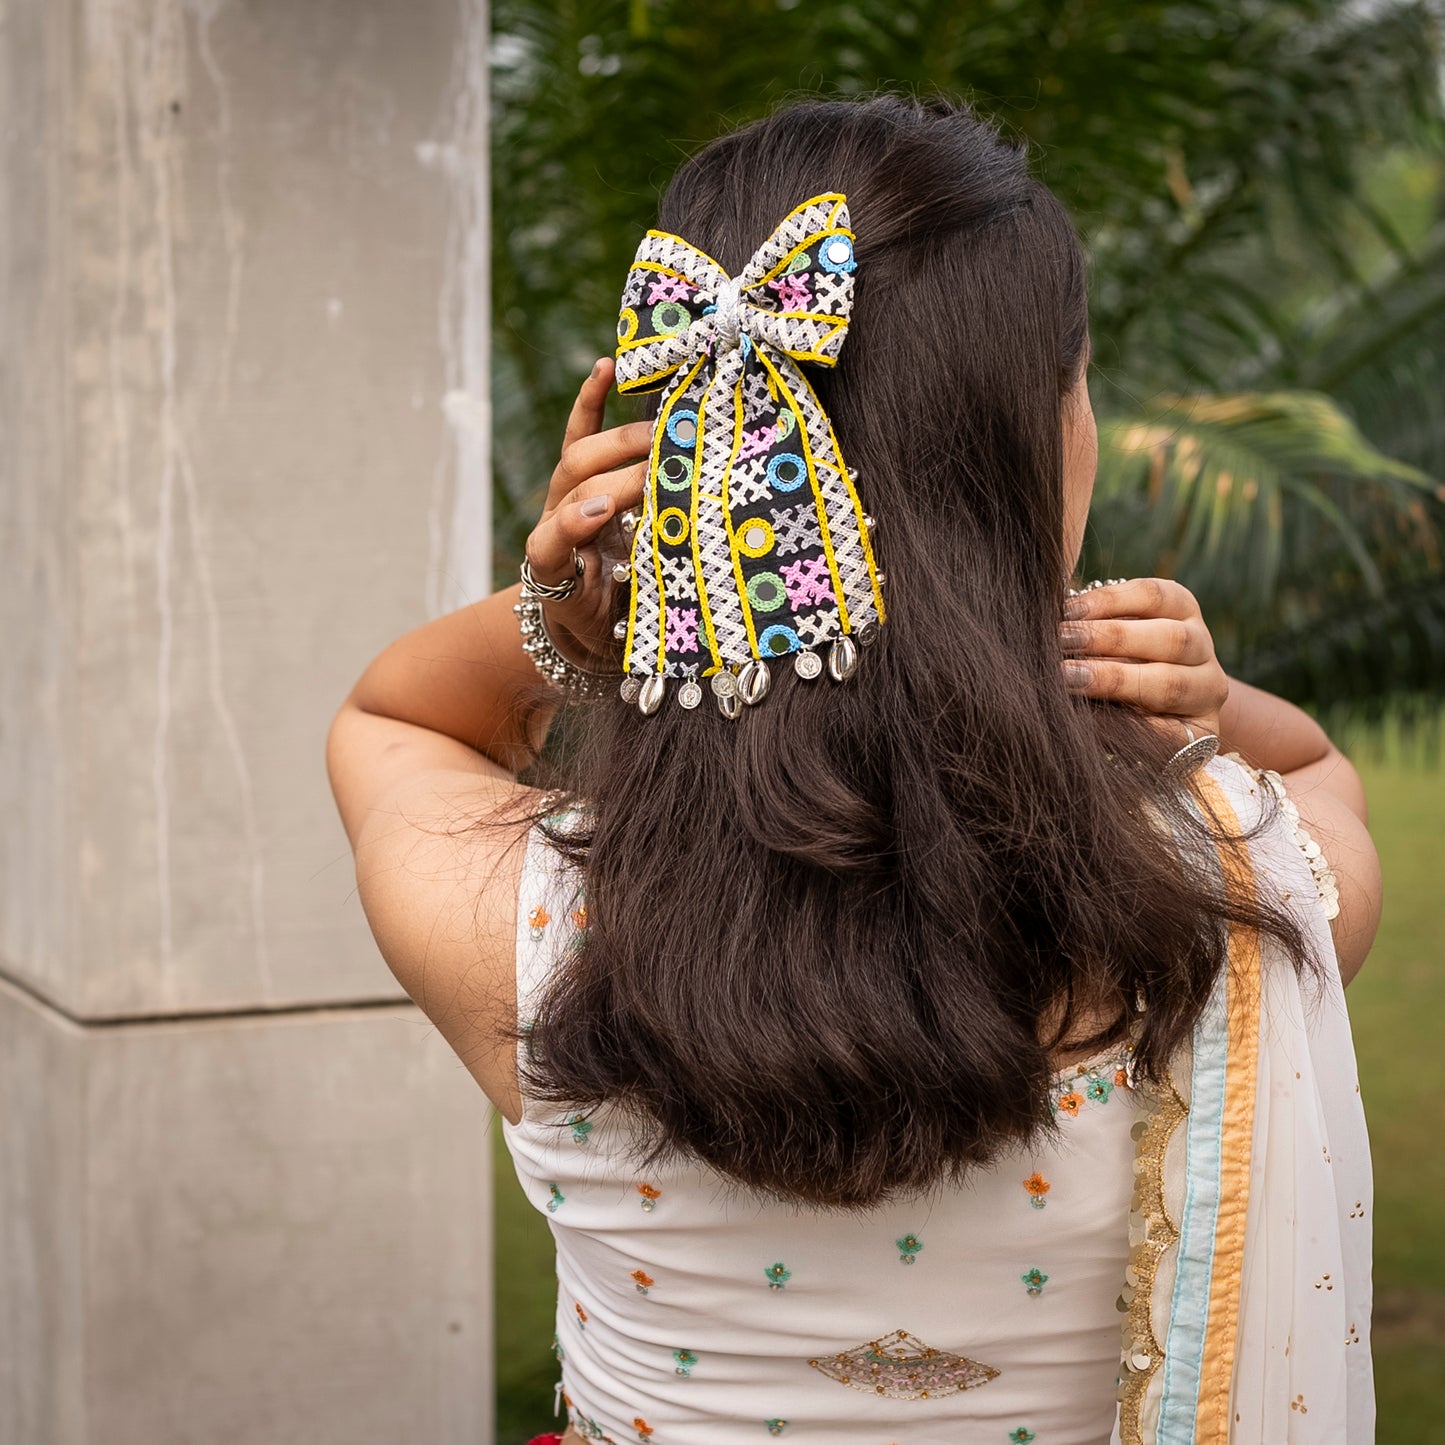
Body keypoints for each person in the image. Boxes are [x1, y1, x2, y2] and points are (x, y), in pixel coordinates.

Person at [328, 95, 1381, 1445]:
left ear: (684, 470)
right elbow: (1323, 771)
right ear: (1043, 439)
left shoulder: (527, 931)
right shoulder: (1226, 903)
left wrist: (569, 613)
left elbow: (389, 722)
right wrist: (1208, 695)